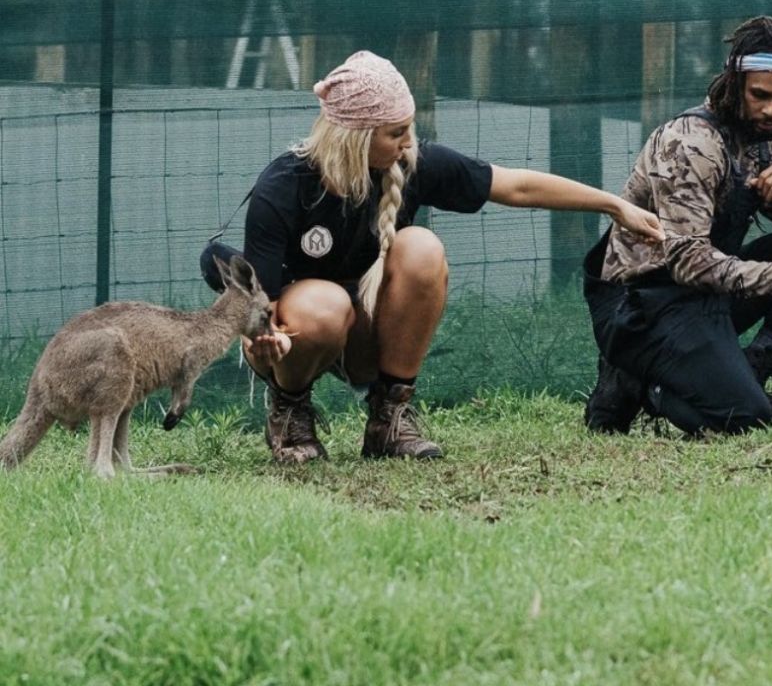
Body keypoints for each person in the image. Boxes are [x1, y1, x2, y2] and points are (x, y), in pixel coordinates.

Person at [204, 49, 664, 464]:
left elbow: (517, 185)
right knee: (324, 303)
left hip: (369, 338)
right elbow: (255, 308)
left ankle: (389, 418)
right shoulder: (283, 186)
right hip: (297, 340)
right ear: (356, 136)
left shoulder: (413, 164)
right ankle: (290, 414)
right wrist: (259, 340)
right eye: (396, 132)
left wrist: (614, 205)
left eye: (410, 129)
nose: (408, 142)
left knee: (422, 247)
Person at [583, 15, 772, 438]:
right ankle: (642, 382)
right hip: (643, 304)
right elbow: (687, 261)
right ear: (734, 82)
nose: (770, 110)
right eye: (759, 95)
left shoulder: (767, 136)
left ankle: (751, 371)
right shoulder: (692, 144)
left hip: (702, 293)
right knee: (742, 418)